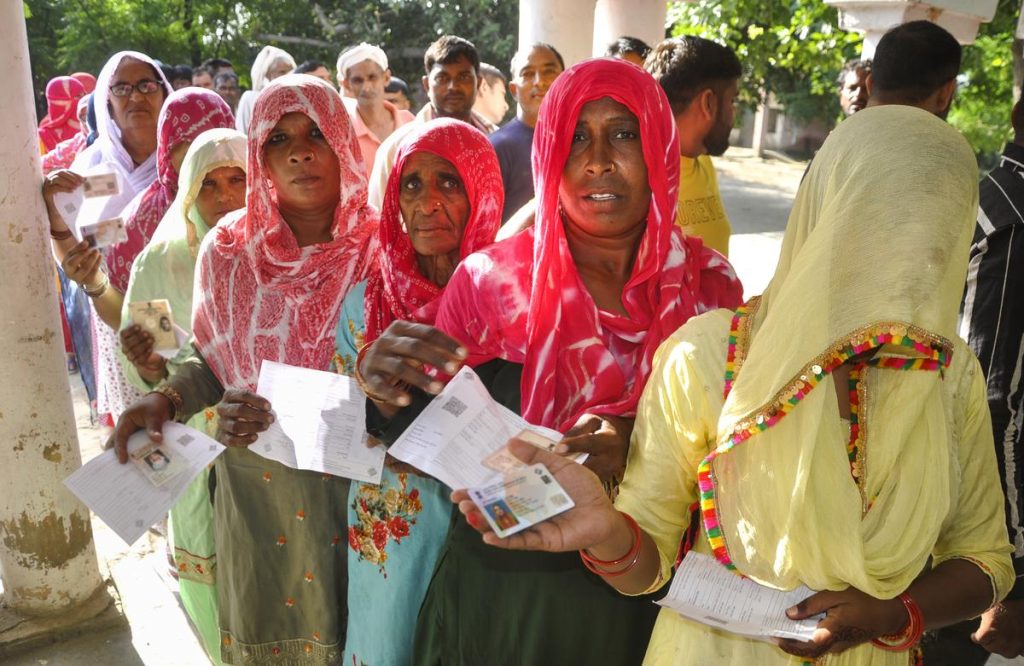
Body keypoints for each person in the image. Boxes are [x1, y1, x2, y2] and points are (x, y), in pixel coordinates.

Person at [455, 24, 1015, 666]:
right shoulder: (709, 356)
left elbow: (985, 560)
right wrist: (611, 536)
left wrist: (893, 614)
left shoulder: (951, 375)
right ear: (826, 216)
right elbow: (649, 558)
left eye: (934, 228)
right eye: (880, 224)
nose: (912, 254)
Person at [357, 57, 743, 665]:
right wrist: (382, 394)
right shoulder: (490, 284)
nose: (597, 161)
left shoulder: (710, 289)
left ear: (661, 149)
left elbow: (745, 446)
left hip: (646, 588)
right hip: (507, 592)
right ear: (548, 155)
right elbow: (422, 428)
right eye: (575, 137)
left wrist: (641, 438)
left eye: (623, 133)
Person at [111, 74, 377, 664]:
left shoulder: (383, 248)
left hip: (361, 493)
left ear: (342, 140)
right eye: (278, 139)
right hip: (258, 491)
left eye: (316, 133)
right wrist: (170, 400)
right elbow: (210, 354)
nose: (300, 151)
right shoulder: (229, 250)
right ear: (261, 154)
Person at [335, 118, 502, 666]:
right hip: (392, 531)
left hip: (488, 533)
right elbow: (334, 433)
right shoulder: (364, 305)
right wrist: (375, 400)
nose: (428, 202)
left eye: (449, 182)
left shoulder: (512, 297)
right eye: (412, 184)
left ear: (482, 191)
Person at [118, 128, 246, 665]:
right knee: (209, 574)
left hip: (258, 443)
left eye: (237, 180)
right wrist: (148, 365)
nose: (222, 198)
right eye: (207, 185)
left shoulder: (280, 254)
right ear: (188, 195)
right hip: (192, 445)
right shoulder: (161, 263)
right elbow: (158, 368)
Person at [929, 101, 1024, 664]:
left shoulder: (988, 197)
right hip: (968, 534)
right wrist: (1009, 574)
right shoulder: (1013, 221)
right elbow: (996, 401)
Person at [368, 35, 496, 208]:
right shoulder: (397, 147)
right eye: (442, 78)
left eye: (463, 77)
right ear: (427, 85)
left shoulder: (495, 140)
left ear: (478, 83)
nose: (453, 86)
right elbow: (379, 220)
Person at [646, 36, 740, 257]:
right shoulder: (642, 178)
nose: (734, 113)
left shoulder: (702, 161)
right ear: (708, 103)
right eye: (732, 100)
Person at [489, 42, 564, 223]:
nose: (540, 81)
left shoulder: (582, 140)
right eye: (528, 74)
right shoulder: (496, 147)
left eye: (549, 71)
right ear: (513, 90)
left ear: (564, 79)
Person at [336, 43, 415, 178]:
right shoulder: (342, 130)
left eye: (372, 77)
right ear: (346, 84)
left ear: (386, 78)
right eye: (358, 80)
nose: (366, 87)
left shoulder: (410, 122)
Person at [235, 45, 296, 134]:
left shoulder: (297, 99)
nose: (288, 75)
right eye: (282, 72)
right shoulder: (250, 98)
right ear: (267, 75)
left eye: (291, 71)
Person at [42, 94, 91, 173]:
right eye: (84, 117)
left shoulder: (115, 139)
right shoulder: (76, 144)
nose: (88, 121)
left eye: (92, 115)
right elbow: (42, 164)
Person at [38, 75, 88, 153]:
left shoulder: (91, 129)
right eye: (77, 96)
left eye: (84, 95)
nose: (82, 101)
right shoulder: (41, 138)